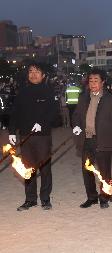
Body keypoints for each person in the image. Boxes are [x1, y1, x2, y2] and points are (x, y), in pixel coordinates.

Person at [8, 62, 58, 211]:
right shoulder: (22, 92)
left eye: (37, 71)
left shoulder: (49, 91)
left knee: (44, 168)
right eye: (31, 71)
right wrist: (11, 131)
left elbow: (54, 113)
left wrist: (42, 123)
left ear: (43, 75)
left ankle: (45, 199)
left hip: (42, 136)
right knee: (28, 168)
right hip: (25, 136)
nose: (33, 74)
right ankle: (30, 199)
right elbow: (15, 113)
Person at [72, 69, 112, 209]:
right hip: (86, 139)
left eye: (96, 81)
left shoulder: (110, 99)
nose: (93, 84)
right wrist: (76, 125)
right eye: (91, 81)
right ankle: (91, 197)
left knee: (104, 171)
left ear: (102, 82)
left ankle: (104, 197)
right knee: (87, 169)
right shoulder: (83, 98)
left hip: (103, 140)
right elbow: (76, 115)